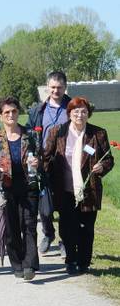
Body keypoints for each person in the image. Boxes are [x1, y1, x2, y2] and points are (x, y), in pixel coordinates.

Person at [41, 96, 114, 274]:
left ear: (88, 114)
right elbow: (46, 157)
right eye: (76, 111)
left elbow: (109, 160)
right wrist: (44, 170)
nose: (80, 115)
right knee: (67, 228)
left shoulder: (98, 134)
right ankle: (70, 260)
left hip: (89, 190)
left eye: (83, 111)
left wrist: (101, 166)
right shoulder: (58, 132)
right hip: (64, 190)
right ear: (69, 113)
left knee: (86, 228)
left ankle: (83, 261)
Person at [0, 97, 40, 280]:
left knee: (29, 225)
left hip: (29, 186)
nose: (11, 115)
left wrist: (38, 162)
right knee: (12, 228)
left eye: (14, 111)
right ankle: (17, 263)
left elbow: (42, 157)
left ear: (18, 113)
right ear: (0, 116)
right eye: (6, 112)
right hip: (6, 188)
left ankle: (29, 265)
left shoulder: (30, 135)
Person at [29, 71, 72, 255]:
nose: (56, 90)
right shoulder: (38, 110)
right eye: (53, 87)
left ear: (65, 87)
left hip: (66, 163)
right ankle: (48, 234)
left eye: (59, 87)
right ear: (48, 87)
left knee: (64, 205)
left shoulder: (73, 107)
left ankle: (64, 240)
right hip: (43, 163)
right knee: (44, 207)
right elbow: (29, 136)